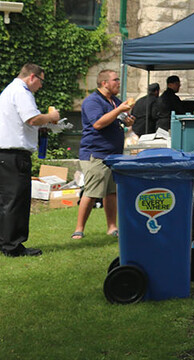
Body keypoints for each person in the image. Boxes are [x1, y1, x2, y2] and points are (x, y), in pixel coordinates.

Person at [1, 64, 60, 257]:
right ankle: (13, 246)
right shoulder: (22, 92)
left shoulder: (10, 90)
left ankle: (5, 243)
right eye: (41, 81)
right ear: (32, 77)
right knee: (16, 201)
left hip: (6, 154)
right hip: (15, 154)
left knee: (6, 200)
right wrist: (51, 117)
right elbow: (32, 119)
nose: (41, 86)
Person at [73, 69, 133, 239]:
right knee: (92, 192)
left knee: (111, 192)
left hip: (113, 154)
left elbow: (118, 118)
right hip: (96, 153)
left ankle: (112, 227)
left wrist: (127, 120)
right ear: (104, 83)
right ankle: (79, 229)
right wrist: (119, 110)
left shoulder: (114, 101)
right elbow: (98, 124)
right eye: (115, 80)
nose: (118, 83)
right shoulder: (92, 101)